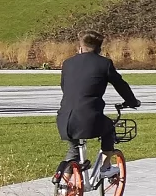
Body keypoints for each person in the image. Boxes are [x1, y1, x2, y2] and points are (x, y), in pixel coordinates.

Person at [56, 31, 140, 165]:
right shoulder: (104, 64)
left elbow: (64, 87)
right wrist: (132, 101)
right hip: (90, 119)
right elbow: (120, 85)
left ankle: (64, 180)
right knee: (109, 128)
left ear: (80, 47)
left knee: (74, 151)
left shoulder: (68, 63)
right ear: (99, 48)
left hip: (64, 120)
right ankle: (105, 167)